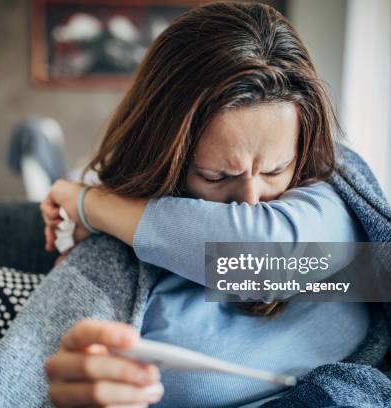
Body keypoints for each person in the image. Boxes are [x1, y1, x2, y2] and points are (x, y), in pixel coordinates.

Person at [37, 2, 369, 407]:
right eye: (217, 177)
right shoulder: (113, 254)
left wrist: (91, 204)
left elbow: (261, 258)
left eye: (274, 170)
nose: (250, 202)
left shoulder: (332, 197)